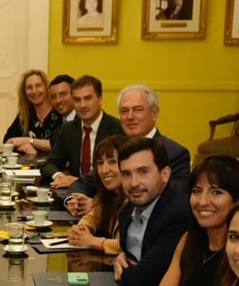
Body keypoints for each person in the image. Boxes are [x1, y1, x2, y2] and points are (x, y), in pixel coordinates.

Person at [144, 156, 239, 286]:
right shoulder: (188, 240)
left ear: (237, 199)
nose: (202, 201)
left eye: (216, 192)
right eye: (196, 191)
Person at [66, 84, 191, 216]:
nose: (130, 116)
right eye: (124, 111)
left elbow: (172, 202)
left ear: (155, 113)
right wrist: (74, 200)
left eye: (137, 110)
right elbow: (87, 182)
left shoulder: (174, 153)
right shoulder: (117, 146)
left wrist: (101, 207)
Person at [113, 137, 189, 286]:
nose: (134, 183)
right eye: (126, 174)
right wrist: (118, 260)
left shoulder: (179, 214)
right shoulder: (126, 211)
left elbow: (144, 282)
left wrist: (124, 272)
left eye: (143, 172)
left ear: (165, 174)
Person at [40, 75, 123, 188]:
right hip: (75, 193)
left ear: (100, 99)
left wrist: (80, 181)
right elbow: (49, 164)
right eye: (77, 100)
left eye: (88, 98)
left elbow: (120, 173)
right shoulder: (68, 129)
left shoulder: (117, 128)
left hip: (105, 192)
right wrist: (59, 176)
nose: (82, 105)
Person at [67, 135, 129, 255]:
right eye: (100, 163)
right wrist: (80, 230)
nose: (104, 170)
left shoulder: (137, 200)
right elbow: (92, 217)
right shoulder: (109, 196)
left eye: (112, 162)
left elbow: (132, 246)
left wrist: (93, 241)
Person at [3, 69, 62, 157]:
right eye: (29, 88)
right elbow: (7, 141)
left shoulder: (58, 111)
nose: (34, 91)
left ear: (46, 87)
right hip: (27, 164)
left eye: (38, 86)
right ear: (24, 92)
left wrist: (27, 141)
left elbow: (56, 144)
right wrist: (21, 147)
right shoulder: (25, 114)